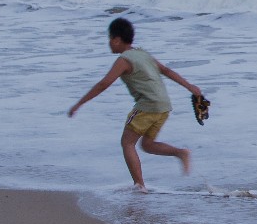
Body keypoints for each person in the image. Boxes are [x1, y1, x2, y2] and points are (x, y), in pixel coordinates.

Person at [66, 17, 204, 191]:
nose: (109, 43)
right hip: (163, 106)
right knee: (147, 145)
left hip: (147, 106)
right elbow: (167, 71)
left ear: (116, 40)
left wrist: (79, 104)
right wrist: (190, 87)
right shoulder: (143, 54)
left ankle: (140, 186)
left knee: (127, 143)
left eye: (110, 39)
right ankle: (180, 153)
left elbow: (104, 84)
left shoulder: (124, 60)